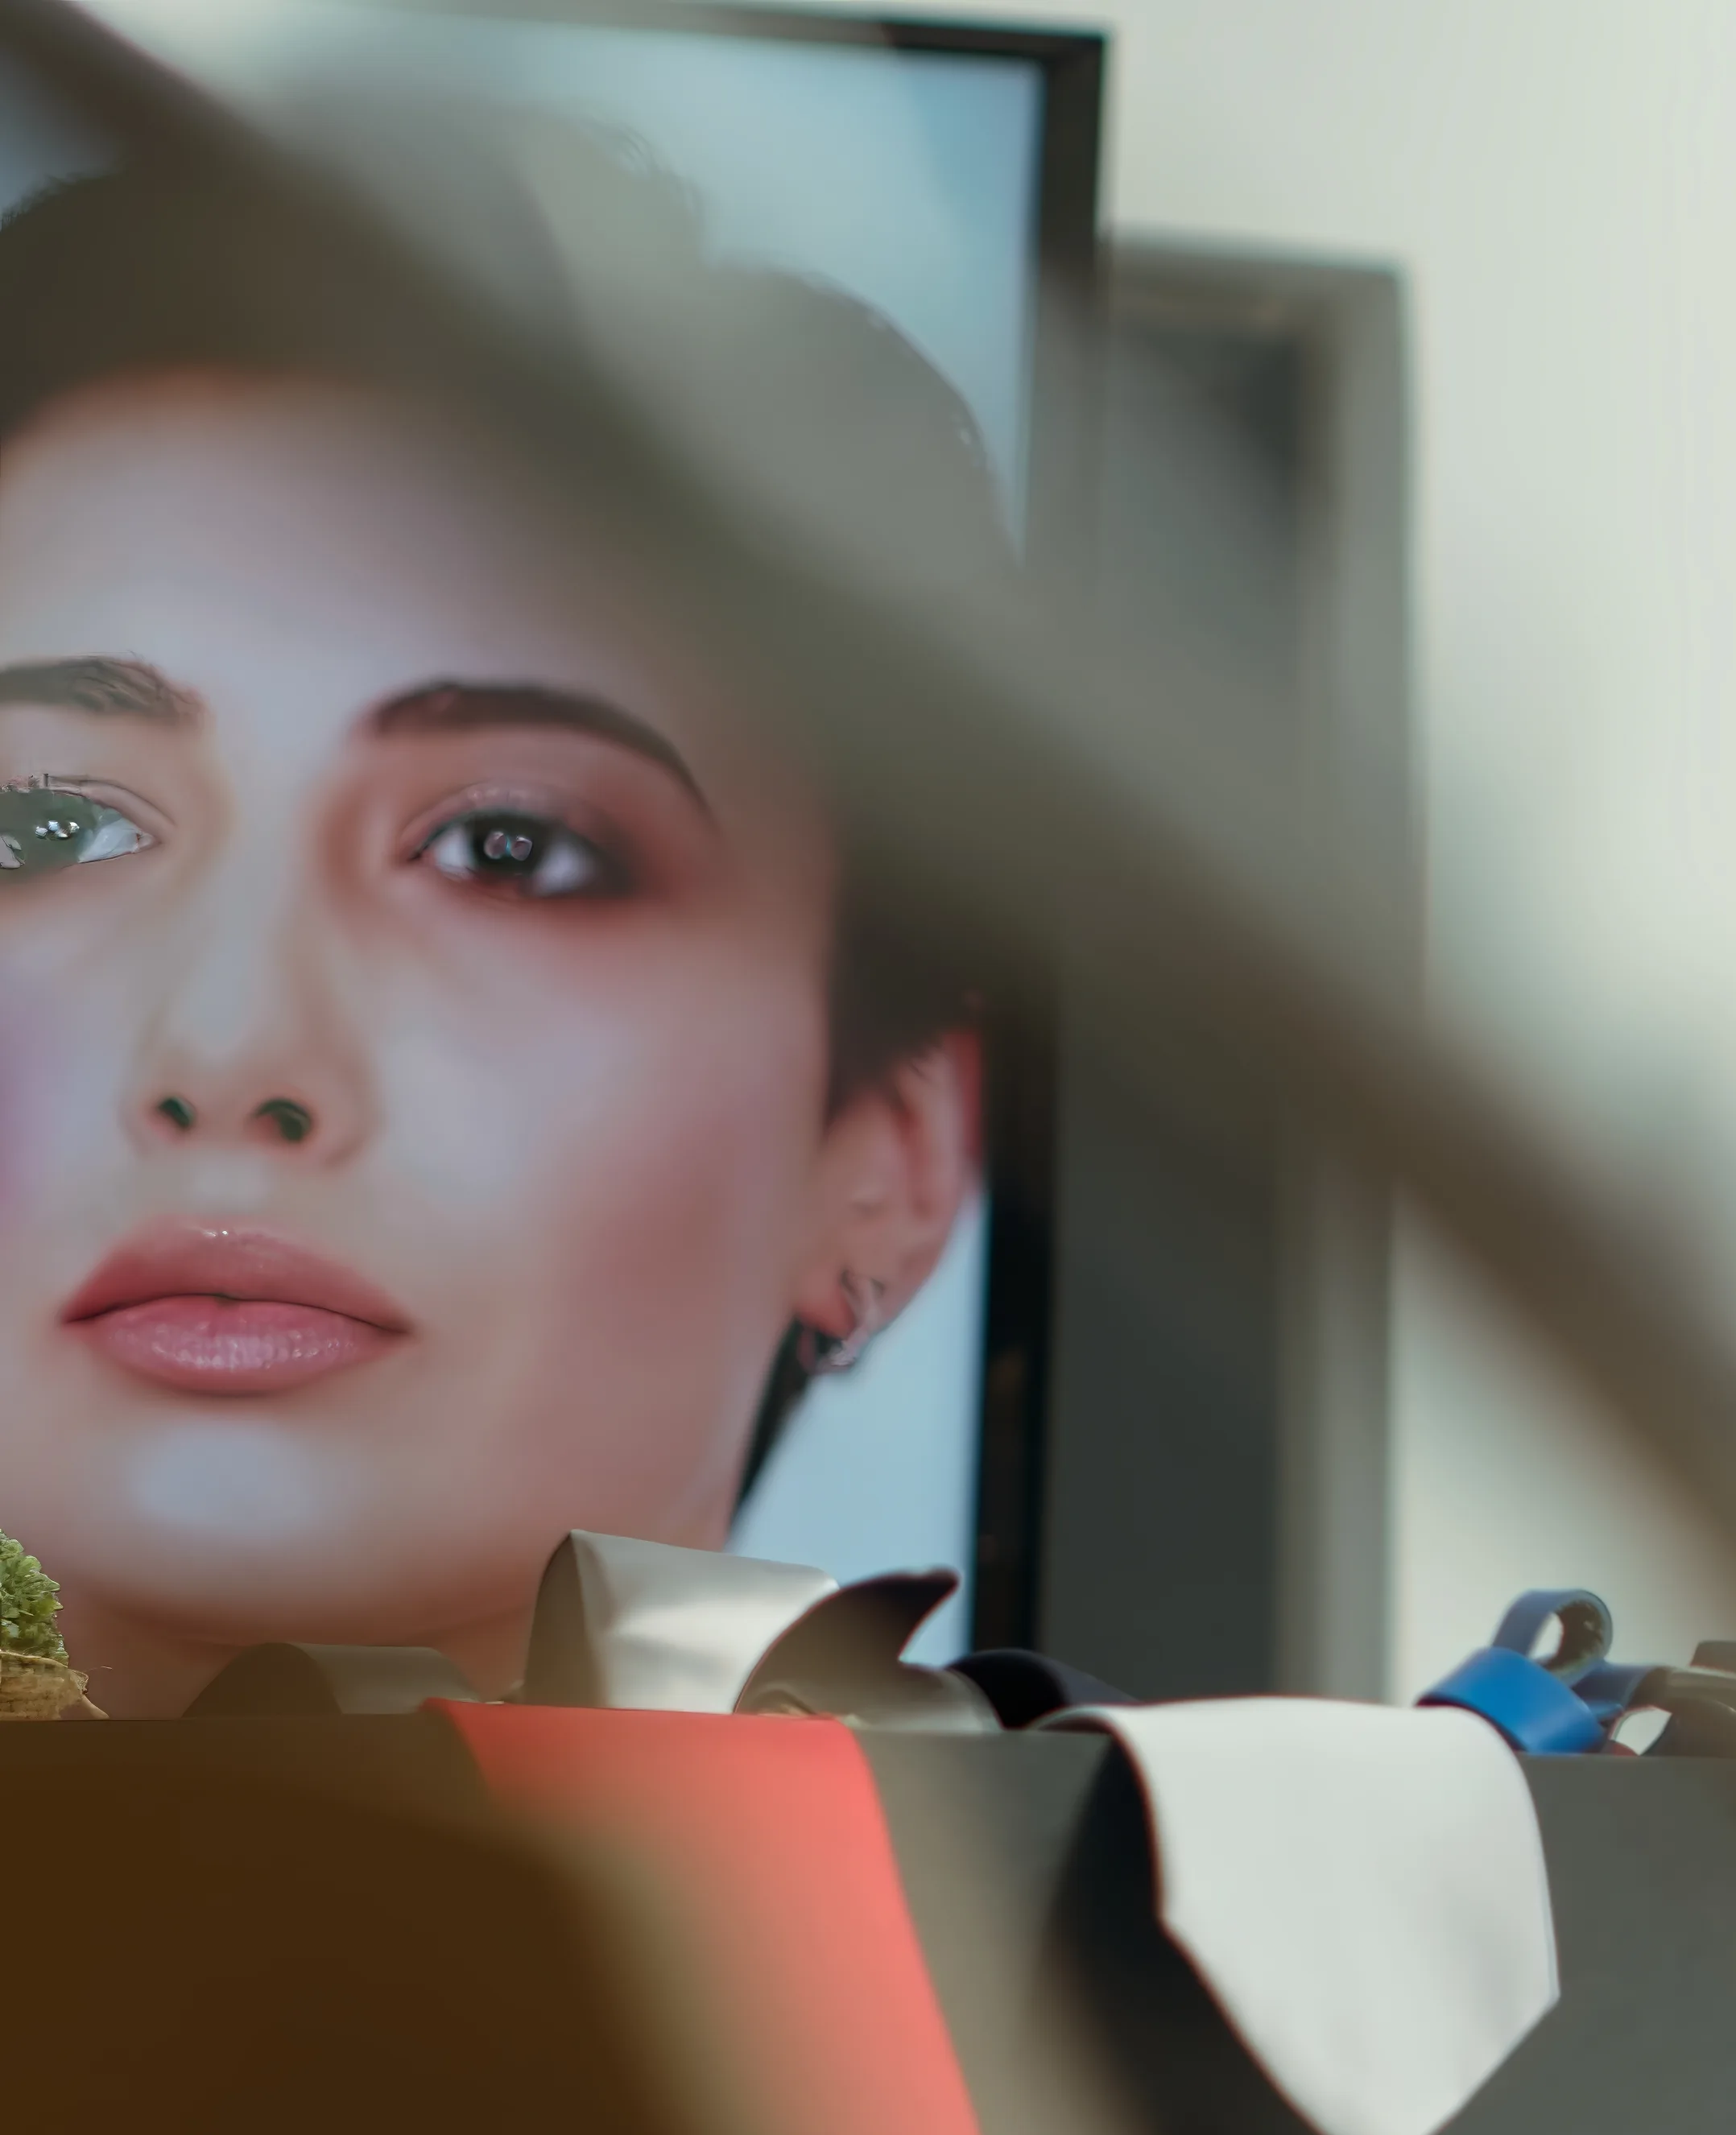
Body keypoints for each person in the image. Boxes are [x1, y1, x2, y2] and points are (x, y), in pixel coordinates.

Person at [0, 164, 994, 1716]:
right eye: (48, 829)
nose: (228, 1054)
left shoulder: (1204, 1914)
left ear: (885, 1163)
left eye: (507, 850)